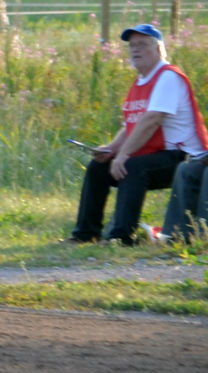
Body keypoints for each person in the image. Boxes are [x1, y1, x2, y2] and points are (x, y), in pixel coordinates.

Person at [71, 24, 206, 244]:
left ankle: (121, 236)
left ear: (159, 49)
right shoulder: (142, 81)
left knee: (132, 167)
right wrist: (111, 149)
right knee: (98, 167)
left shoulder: (168, 77)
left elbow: (152, 120)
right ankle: (85, 233)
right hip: (159, 153)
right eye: (132, 46)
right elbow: (132, 125)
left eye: (143, 45)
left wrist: (123, 156)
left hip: (186, 157)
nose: (136, 50)